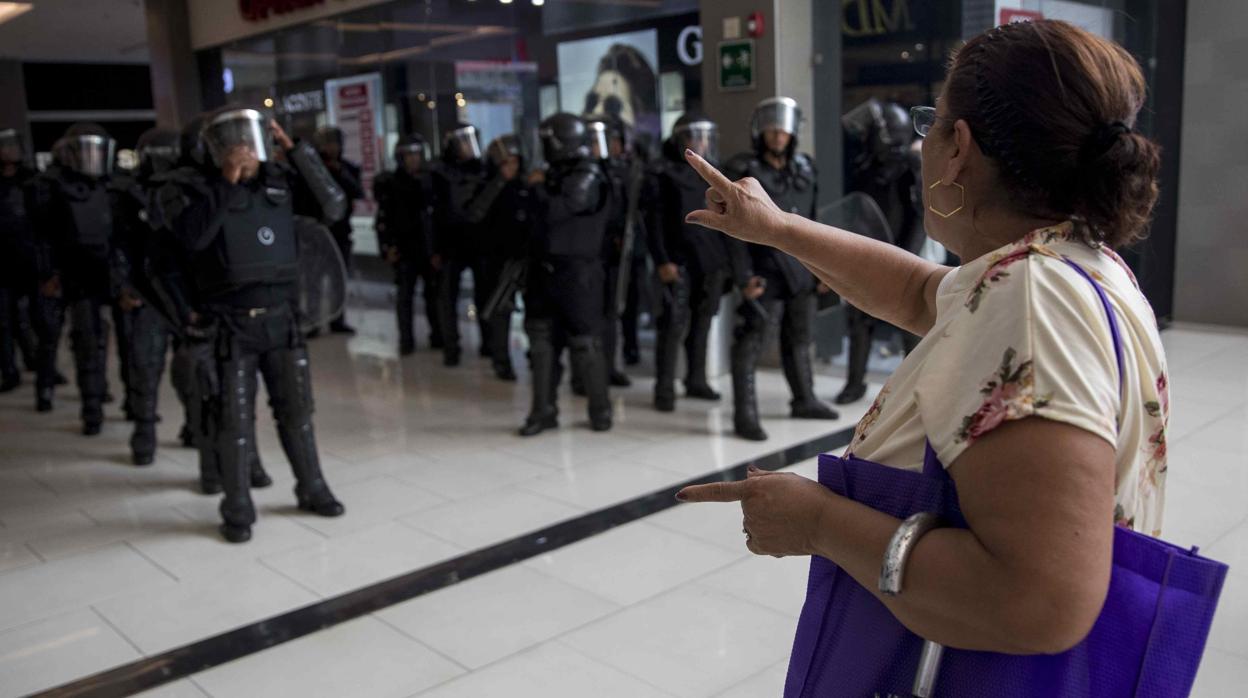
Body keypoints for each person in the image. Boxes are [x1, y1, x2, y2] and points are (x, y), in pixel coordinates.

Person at [677, 19, 1168, 656]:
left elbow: (1037, 603)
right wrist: (779, 229)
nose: (922, 145)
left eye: (929, 124)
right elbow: (917, 291)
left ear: (958, 146)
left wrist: (819, 522)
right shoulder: (1059, 265)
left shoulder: (1032, 301)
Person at [157, 106, 346, 542]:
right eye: (235, 139)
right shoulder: (194, 190)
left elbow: (334, 205)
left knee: (298, 414)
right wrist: (226, 183)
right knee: (233, 422)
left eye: (252, 137)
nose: (246, 148)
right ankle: (237, 505)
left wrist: (296, 151)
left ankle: (312, 487)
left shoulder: (280, 183)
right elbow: (190, 240)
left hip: (283, 321)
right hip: (231, 326)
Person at [152, 113, 272, 494]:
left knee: (240, 397)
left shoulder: (241, 184)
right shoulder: (177, 188)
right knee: (206, 398)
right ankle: (212, 471)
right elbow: (175, 254)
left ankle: (248, 461)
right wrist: (183, 311)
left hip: (230, 309)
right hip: (197, 309)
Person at [723, 98, 839, 441]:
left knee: (800, 338)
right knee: (751, 341)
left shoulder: (805, 168)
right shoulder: (743, 170)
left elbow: (814, 220)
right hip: (764, 270)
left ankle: (804, 399)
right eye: (772, 128)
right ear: (761, 131)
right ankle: (745, 415)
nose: (778, 136)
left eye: (784, 129)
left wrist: (823, 268)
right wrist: (743, 276)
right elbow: (732, 231)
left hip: (801, 268)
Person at [519, 113, 613, 436]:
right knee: (542, 344)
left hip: (578, 274)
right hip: (545, 271)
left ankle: (600, 410)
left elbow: (561, 209)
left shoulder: (587, 172)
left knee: (585, 345)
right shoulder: (552, 174)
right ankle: (543, 410)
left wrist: (535, 189)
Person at [25, 123, 119, 431]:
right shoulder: (49, 187)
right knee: (56, 336)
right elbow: (39, 236)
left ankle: (96, 398)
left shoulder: (110, 185)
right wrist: (47, 273)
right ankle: (50, 389)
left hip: (100, 273)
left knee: (95, 339)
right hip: (66, 274)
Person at [837, 98, 925, 404]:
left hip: (905, 254)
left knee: (911, 323)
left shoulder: (911, 168)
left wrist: (908, 259)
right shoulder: (866, 167)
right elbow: (858, 212)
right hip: (871, 252)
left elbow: (920, 217)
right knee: (859, 318)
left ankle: (917, 389)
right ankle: (855, 382)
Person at [646, 113, 731, 412]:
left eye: (705, 137)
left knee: (702, 324)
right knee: (671, 326)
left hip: (709, 262)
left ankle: (696, 380)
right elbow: (652, 222)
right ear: (681, 140)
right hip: (678, 262)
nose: (702, 143)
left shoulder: (714, 174)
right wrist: (662, 261)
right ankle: (664, 387)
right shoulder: (662, 173)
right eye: (695, 137)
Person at [110, 127, 181, 464]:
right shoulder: (128, 192)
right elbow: (119, 244)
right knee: (144, 367)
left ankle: (197, 428)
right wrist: (124, 286)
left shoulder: (191, 186)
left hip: (184, 295)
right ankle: (144, 432)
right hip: (147, 292)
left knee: (193, 371)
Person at [465, 133, 534, 381]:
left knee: (535, 311)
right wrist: (497, 185)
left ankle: (535, 354)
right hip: (497, 259)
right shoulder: (486, 187)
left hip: (526, 257)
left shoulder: (527, 186)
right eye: (505, 163)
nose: (510, 168)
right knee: (500, 312)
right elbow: (474, 215)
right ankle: (501, 360)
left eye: (514, 162)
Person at [375, 133, 439, 355]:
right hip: (404, 248)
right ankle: (406, 340)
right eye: (409, 155)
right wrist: (387, 247)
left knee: (433, 296)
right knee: (405, 297)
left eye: (417, 154)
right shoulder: (392, 183)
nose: (414, 159)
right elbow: (383, 219)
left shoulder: (430, 181)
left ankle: (437, 336)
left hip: (427, 247)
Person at [430, 123, 487, 367]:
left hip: (477, 242)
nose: (467, 147)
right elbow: (433, 214)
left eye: (470, 141)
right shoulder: (439, 172)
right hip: (450, 243)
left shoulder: (482, 170)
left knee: (484, 295)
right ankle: (451, 346)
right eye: (462, 142)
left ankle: (489, 343)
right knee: (447, 298)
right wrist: (434, 248)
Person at [585, 115, 634, 389]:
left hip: (612, 254)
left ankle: (610, 366)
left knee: (611, 314)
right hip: (588, 255)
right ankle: (586, 375)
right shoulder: (581, 173)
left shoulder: (620, 171)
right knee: (588, 317)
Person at [307, 126, 363, 335]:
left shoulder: (348, 168)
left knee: (338, 278)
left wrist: (340, 172)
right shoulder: (312, 170)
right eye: (327, 143)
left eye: (334, 143)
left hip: (340, 233)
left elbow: (358, 192)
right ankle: (312, 321)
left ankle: (337, 319)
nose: (331, 148)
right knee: (314, 280)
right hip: (316, 233)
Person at [0, 127, 38, 393]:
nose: (10, 149)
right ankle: (9, 371)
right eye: (5, 145)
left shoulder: (30, 179)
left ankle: (39, 363)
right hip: (2, 264)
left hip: (30, 258)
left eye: (14, 145)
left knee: (38, 317)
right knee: (4, 321)